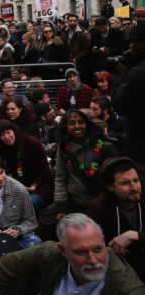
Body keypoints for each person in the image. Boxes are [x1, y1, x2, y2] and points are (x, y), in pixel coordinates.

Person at [0, 213, 145, 294]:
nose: (93, 260)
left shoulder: (126, 288)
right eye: (81, 252)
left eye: (98, 249)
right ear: (62, 250)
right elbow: (3, 268)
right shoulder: (49, 254)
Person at [88, 156, 145, 282]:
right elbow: (95, 250)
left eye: (136, 180)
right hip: (119, 269)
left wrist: (135, 235)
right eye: (125, 183)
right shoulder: (98, 208)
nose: (134, 187)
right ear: (110, 187)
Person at [54, 109, 118, 219]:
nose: (77, 126)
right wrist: (61, 207)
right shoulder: (64, 147)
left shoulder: (103, 146)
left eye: (81, 122)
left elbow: (116, 176)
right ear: (65, 127)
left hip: (102, 203)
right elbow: (60, 177)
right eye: (72, 123)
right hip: (75, 203)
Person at [0, 119, 54, 213]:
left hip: (40, 186)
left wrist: (34, 185)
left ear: (14, 131)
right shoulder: (0, 150)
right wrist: (18, 186)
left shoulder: (32, 143)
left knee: (28, 206)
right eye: (2, 135)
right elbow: (5, 172)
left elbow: (45, 169)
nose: (6, 137)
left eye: (8, 132)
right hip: (17, 187)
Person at [112, 20, 145, 181]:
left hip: (141, 147)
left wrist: (123, 76)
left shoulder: (138, 73)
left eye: (135, 41)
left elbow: (120, 104)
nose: (131, 46)